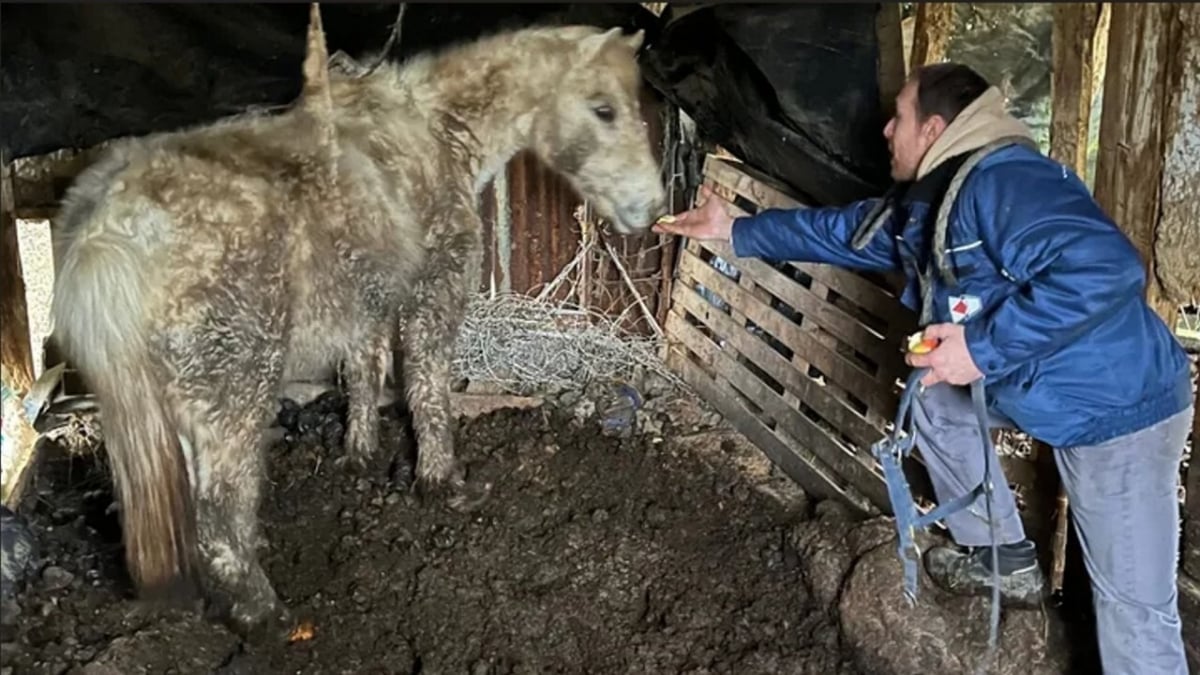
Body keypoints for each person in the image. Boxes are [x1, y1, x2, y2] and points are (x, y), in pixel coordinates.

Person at [654, 62, 1195, 674]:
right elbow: (849, 233)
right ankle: (1001, 557)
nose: (886, 130)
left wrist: (979, 351)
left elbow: (1106, 269)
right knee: (935, 397)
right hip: (1053, 388)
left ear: (935, 128)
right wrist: (737, 228)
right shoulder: (937, 198)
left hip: (1119, 413)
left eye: (900, 117)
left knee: (1131, 609)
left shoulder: (1006, 183)